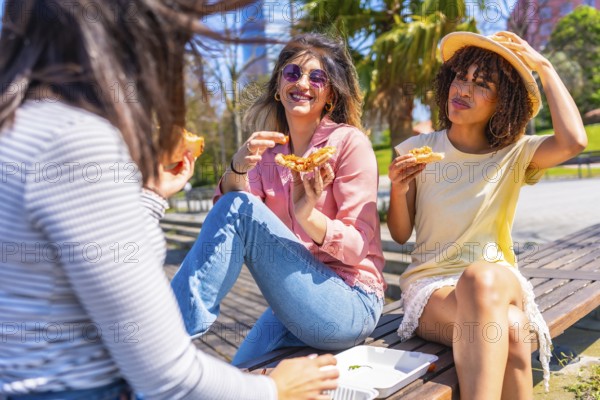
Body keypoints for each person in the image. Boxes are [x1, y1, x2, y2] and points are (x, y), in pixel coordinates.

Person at [0, 1, 338, 399]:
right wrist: (274, 389)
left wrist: (151, 196)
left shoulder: (22, 128)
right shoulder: (75, 140)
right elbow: (166, 378)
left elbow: (84, 270)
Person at [387, 31, 587, 400]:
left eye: (481, 85)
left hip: (497, 279)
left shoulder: (515, 154)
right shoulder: (416, 151)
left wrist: (542, 65)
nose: (463, 90)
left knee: (481, 278)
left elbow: (574, 141)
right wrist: (399, 190)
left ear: (502, 102)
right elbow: (400, 234)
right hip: (432, 290)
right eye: (461, 77)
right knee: (510, 331)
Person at [170, 33, 386, 365]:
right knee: (239, 374)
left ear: (330, 95)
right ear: (278, 86)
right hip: (295, 301)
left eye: (317, 77)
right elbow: (228, 218)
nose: (302, 83)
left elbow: (358, 248)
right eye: (292, 73)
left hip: (351, 302)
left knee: (239, 208)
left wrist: (307, 216)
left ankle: (166, 340)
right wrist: (237, 166)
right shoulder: (269, 153)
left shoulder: (348, 143)